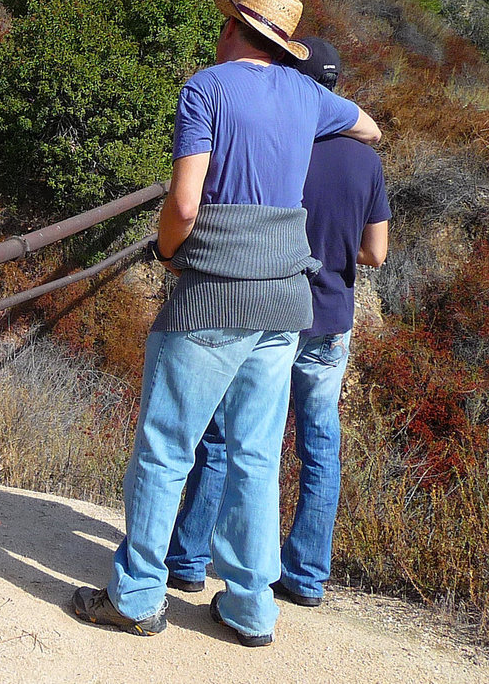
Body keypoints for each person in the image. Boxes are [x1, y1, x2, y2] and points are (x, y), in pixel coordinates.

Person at [71, 0, 381, 646]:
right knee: (257, 453)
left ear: (236, 30)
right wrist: (313, 126)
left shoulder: (205, 88)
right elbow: (369, 126)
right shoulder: (308, 97)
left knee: (166, 446)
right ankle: (249, 608)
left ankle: (136, 596)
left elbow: (185, 204)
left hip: (216, 289)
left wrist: (167, 250)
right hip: (285, 297)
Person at [164, 37, 390, 613]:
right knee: (316, 444)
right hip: (331, 315)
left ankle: (188, 560)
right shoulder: (366, 161)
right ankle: (305, 575)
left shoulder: (283, 143)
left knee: (224, 437)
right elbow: (377, 254)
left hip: (265, 301)